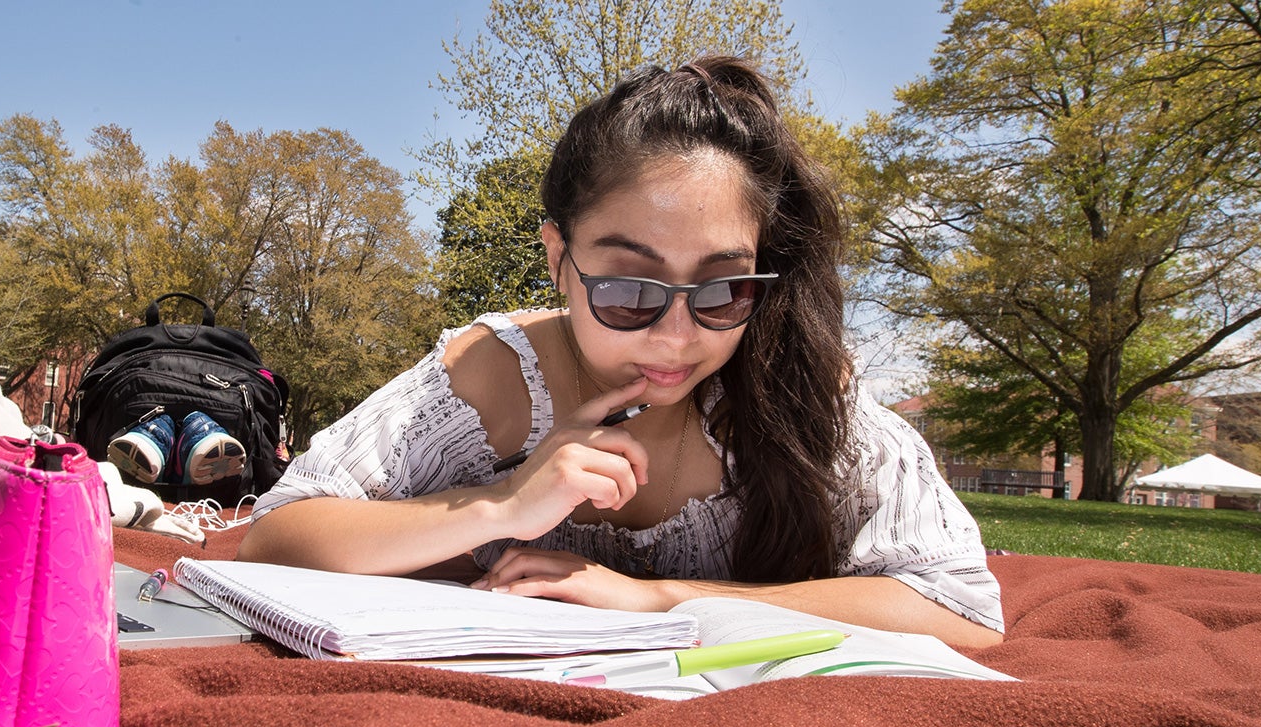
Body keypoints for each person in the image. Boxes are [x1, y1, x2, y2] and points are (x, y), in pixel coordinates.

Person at [238, 56, 1003, 648]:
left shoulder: (800, 385)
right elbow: (275, 535)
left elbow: (958, 603)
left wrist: (663, 598)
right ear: (557, 259)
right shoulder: (490, 377)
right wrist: (500, 505)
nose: (676, 338)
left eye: (723, 291)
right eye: (629, 291)